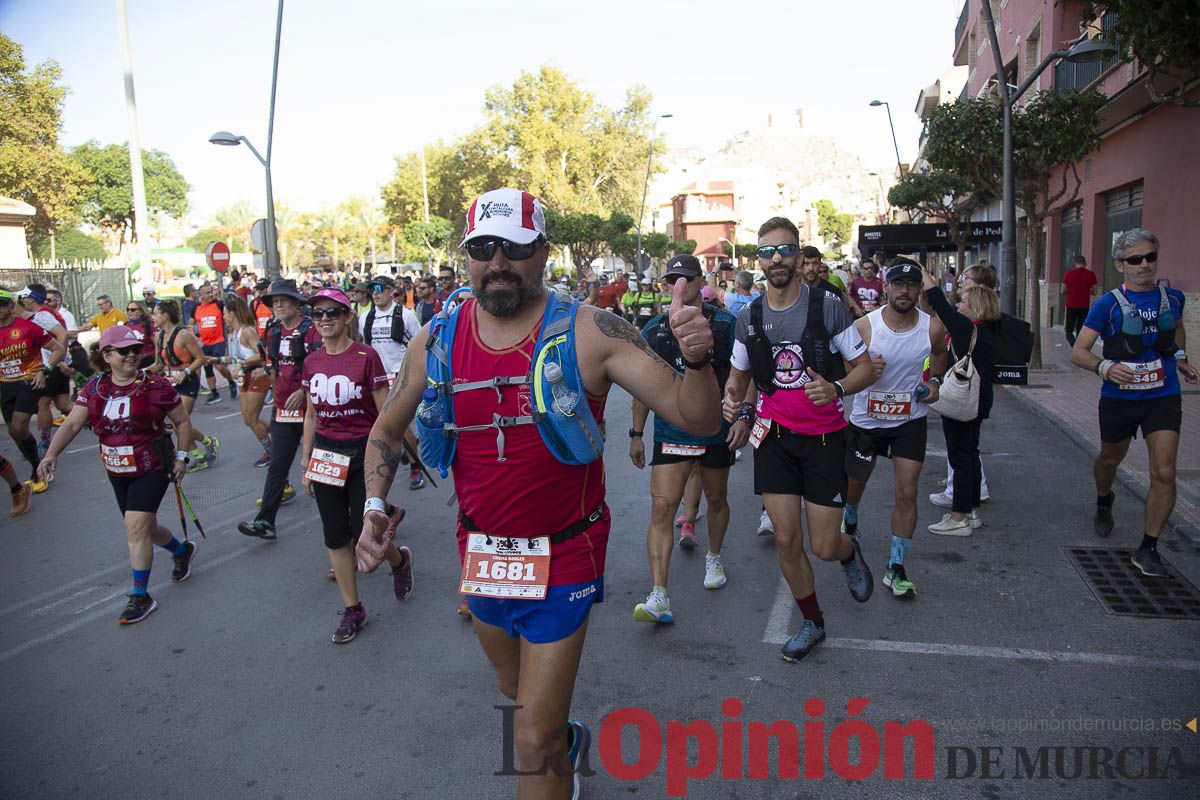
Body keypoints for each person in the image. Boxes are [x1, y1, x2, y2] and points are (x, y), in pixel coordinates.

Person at [358, 187, 720, 799]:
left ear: (543, 252)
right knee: (515, 691)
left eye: (516, 247)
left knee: (528, 740)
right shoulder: (436, 342)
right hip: (483, 553)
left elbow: (700, 418)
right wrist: (372, 505)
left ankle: (552, 744)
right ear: (468, 254)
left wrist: (700, 362)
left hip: (565, 554)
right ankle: (564, 738)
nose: (498, 261)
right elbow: (386, 430)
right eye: (483, 247)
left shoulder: (592, 332)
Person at [722, 218, 876, 662]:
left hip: (825, 438)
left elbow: (864, 368)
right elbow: (738, 377)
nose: (776, 259)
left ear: (798, 255)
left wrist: (836, 388)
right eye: (768, 252)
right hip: (772, 438)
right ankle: (813, 622)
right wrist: (732, 405)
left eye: (785, 250)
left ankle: (849, 554)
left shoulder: (827, 307)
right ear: (758, 260)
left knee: (824, 546)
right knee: (787, 541)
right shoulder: (747, 316)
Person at [38, 325, 197, 624]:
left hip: (152, 466)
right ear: (106, 355)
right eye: (124, 351)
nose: (132, 356)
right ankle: (181, 550)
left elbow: (182, 422)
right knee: (145, 529)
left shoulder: (157, 385)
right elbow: (72, 424)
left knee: (135, 529)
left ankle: (141, 595)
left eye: (136, 350)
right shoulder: (95, 388)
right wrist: (51, 454)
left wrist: (183, 457)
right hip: (116, 469)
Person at [1070, 228, 1196, 576]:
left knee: (1164, 470)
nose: (1145, 265)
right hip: (1119, 399)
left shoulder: (1173, 298)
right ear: (1120, 265)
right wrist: (1105, 367)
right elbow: (1078, 353)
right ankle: (1104, 498)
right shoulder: (1106, 305)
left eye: (1150, 257)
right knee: (1110, 458)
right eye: (1135, 260)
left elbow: (1178, 329)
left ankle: (1149, 547)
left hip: (1163, 395)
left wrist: (1181, 357)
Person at [629, 255, 744, 623]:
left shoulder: (725, 324)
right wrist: (635, 434)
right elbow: (641, 388)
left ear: (700, 281)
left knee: (716, 497)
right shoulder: (655, 329)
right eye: (672, 279)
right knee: (662, 509)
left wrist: (741, 411)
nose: (679, 284)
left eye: (687, 278)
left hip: (715, 431)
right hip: (671, 432)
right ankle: (659, 595)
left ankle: (713, 558)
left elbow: (744, 372)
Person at [299, 287, 412, 643]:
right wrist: (306, 459)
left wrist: (405, 446)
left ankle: (398, 560)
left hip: (364, 454)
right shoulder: (312, 361)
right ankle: (353, 609)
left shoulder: (366, 356)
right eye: (318, 314)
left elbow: (385, 411)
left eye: (333, 312)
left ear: (348, 317)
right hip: (326, 456)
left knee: (366, 530)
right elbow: (312, 414)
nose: (325, 320)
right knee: (336, 535)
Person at [843, 261, 947, 599]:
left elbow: (939, 356)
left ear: (919, 290)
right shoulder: (864, 327)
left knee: (907, 493)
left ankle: (896, 566)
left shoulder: (931, 328)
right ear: (885, 287)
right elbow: (844, 368)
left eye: (911, 284)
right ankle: (852, 517)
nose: (904, 290)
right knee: (854, 486)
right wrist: (865, 371)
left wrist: (933, 382)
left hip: (909, 422)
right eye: (898, 284)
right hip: (866, 422)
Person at [238, 280, 322, 538]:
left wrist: (304, 391)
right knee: (277, 465)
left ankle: (372, 514)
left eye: (284, 300)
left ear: (297, 303)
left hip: (313, 411)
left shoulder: (312, 330)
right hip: (282, 410)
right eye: (275, 302)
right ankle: (266, 522)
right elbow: (273, 365)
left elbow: (322, 365)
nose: (279, 305)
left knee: (323, 471)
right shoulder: (273, 330)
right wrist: (274, 388)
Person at [920, 265, 998, 535]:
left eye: (964, 301)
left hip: (965, 402)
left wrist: (921, 270)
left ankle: (958, 517)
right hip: (980, 400)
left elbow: (938, 301)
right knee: (970, 454)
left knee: (960, 457)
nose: (959, 303)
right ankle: (972, 509)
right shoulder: (988, 331)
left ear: (974, 306)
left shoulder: (966, 329)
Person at [359, 275, 425, 490]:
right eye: (372, 290)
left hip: (400, 377)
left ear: (391, 291)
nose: (375, 293)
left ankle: (416, 466)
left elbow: (420, 346)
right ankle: (402, 450)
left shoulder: (406, 316)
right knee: (381, 427)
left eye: (379, 288)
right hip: (376, 380)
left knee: (400, 425)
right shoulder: (365, 318)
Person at [0, 286, 67, 495]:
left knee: (19, 428)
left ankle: (37, 471)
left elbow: (58, 348)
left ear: (12, 306)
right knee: (14, 432)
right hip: (5, 385)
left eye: (2, 305)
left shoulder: (29, 327)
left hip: (28, 383)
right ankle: (37, 465)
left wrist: (44, 370)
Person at [149, 301, 220, 471]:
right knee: (176, 424)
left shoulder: (183, 335)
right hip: (169, 383)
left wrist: (185, 372)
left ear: (165, 316)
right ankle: (201, 452)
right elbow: (159, 364)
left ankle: (208, 444)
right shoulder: (158, 337)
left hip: (187, 382)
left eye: (155, 314)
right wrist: (141, 372)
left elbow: (200, 358)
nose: (152, 318)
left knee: (178, 423)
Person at [15, 285, 71, 458]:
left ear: (31, 298)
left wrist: (60, 359)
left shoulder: (42, 315)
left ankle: (44, 443)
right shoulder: (38, 316)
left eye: (23, 297)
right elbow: (20, 314)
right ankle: (99, 416)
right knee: (63, 405)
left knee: (43, 404)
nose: (21, 300)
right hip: (56, 365)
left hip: (51, 365)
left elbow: (62, 334)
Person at [216, 296, 271, 467]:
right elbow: (236, 357)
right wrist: (213, 359)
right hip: (243, 377)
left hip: (256, 375)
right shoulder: (233, 334)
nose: (223, 317)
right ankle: (285, 433)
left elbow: (261, 355)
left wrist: (242, 363)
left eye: (225, 313)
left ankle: (271, 451)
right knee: (247, 419)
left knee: (251, 418)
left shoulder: (247, 331)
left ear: (232, 313)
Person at [194, 283, 237, 405]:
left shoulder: (218, 305)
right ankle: (214, 393)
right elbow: (191, 323)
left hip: (218, 341)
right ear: (200, 295)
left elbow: (229, 316)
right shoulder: (196, 308)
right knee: (207, 367)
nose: (211, 294)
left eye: (211, 291)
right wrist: (195, 337)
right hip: (204, 343)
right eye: (207, 293)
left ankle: (231, 382)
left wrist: (232, 329)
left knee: (218, 365)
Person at [1062, 255, 1098, 346]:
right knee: (1081, 330)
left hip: (1071, 305)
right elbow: (1095, 291)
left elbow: (1062, 290)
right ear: (1085, 264)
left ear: (1075, 263)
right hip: (1084, 305)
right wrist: (1085, 290)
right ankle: (1078, 348)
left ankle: (1074, 347)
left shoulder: (1069, 274)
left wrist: (1072, 290)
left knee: (1069, 330)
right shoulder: (1091, 274)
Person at [123, 300, 157, 369]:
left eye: (133, 310)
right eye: (128, 309)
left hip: (147, 361)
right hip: (130, 361)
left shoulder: (149, 325)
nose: (129, 312)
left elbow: (157, 345)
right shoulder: (125, 325)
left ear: (141, 312)